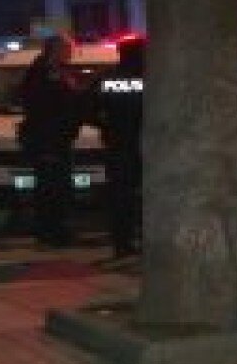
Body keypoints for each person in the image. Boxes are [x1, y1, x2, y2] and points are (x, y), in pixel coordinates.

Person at [18, 35, 83, 247]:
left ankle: (57, 229)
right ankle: (51, 232)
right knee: (51, 188)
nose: (71, 53)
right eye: (67, 49)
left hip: (59, 139)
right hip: (48, 140)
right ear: (55, 50)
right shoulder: (42, 74)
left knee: (59, 187)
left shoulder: (59, 72)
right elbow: (42, 108)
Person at [88, 35, 146, 259]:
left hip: (117, 144)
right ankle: (137, 238)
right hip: (143, 145)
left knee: (120, 196)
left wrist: (106, 125)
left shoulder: (106, 79)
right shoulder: (149, 78)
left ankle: (122, 242)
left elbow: (86, 108)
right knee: (139, 195)